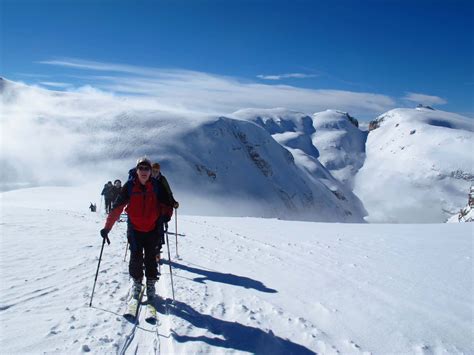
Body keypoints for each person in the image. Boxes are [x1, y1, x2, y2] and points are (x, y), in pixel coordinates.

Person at [100, 157, 169, 301]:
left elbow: (166, 203)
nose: (144, 171)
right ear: (136, 170)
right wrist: (107, 228)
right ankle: (137, 283)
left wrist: (165, 216)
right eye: (141, 168)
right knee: (136, 259)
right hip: (135, 230)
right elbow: (117, 208)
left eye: (147, 169)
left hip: (152, 229)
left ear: (150, 171)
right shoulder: (130, 187)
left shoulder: (157, 186)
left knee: (151, 258)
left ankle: (150, 283)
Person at [151, 162, 179, 261]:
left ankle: (157, 250)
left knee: (158, 230)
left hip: (160, 209)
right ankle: (151, 250)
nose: (155, 172)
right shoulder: (147, 179)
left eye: (156, 171)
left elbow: (168, 192)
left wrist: (173, 202)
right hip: (150, 209)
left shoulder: (162, 179)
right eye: (153, 170)